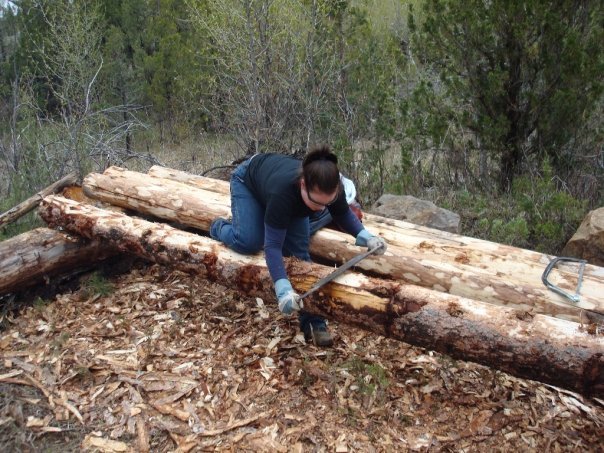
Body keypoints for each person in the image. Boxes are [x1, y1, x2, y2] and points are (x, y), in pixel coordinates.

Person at [210, 145, 387, 347]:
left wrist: (366, 236)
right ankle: (218, 227)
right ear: (303, 184)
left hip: (286, 199)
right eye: (317, 203)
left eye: (325, 205)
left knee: (298, 258)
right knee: (249, 241)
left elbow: (343, 213)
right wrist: (282, 288)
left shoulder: (331, 185)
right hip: (248, 182)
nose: (321, 209)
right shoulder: (283, 193)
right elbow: (273, 247)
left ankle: (313, 322)